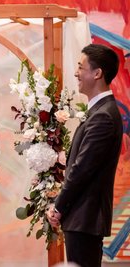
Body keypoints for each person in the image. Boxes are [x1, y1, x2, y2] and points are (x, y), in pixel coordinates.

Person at [47, 44, 123, 267]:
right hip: (81, 218)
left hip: (85, 217)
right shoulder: (99, 112)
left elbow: (81, 169)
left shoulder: (103, 116)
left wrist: (58, 207)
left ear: (97, 73)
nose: (75, 72)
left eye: (81, 67)